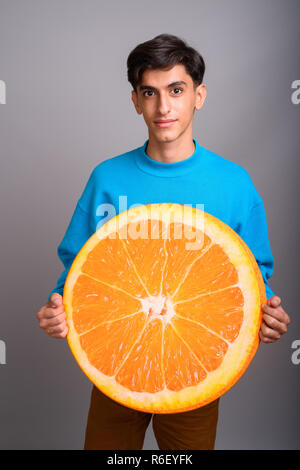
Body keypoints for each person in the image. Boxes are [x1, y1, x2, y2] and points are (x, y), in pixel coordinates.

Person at [36, 33, 291, 450]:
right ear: (135, 101)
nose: (163, 106)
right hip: (117, 356)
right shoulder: (107, 178)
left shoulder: (234, 183)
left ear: (199, 95)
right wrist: (57, 304)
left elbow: (251, 272)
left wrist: (268, 311)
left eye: (176, 90)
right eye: (149, 93)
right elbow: (80, 266)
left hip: (194, 362)